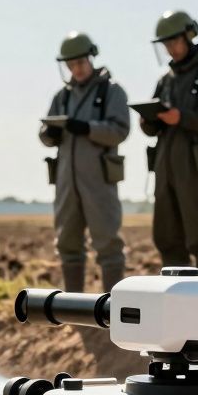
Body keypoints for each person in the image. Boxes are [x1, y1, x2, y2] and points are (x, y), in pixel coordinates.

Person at [139, 10, 198, 276]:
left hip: (196, 167)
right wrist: (149, 121)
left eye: (174, 41)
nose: (170, 49)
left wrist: (182, 117)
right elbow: (155, 122)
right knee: (166, 236)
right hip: (165, 166)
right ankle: (178, 302)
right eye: (165, 44)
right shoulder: (165, 80)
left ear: (188, 36)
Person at [39, 31, 131, 293]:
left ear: (91, 58)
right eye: (70, 64)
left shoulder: (111, 92)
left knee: (108, 243)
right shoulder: (62, 97)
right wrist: (50, 134)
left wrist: (88, 128)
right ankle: (73, 306)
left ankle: (115, 308)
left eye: (80, 62)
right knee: (67, 242)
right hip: (66, 180)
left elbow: (120, 130)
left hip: (98, 179)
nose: (76, 69)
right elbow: (45, 133)